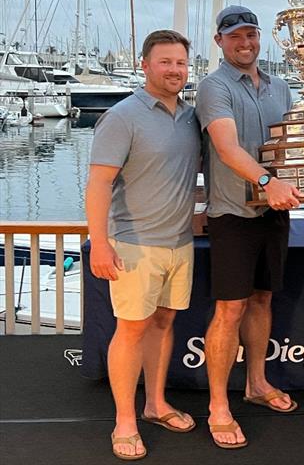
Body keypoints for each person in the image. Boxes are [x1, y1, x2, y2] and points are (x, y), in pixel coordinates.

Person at [86, 30, 201, 460]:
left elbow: (184, 175)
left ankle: (155, 404)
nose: (175, 70)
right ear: (145, 65)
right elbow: (98, 184)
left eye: (181, 63)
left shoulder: (190, 117)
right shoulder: (122, 116)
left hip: (180, 242)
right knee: (131, 330)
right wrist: (100, 243)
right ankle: (125, 421)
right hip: (134, 244)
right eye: (166, 62)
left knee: (164, 324)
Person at [196, 6, 301, 450]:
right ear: (219, 41)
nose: (245, 43)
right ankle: (218, 405)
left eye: (251, 35)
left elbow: (297, 145)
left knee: (262, 300)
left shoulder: (281, 88)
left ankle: (256, 383)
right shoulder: (212, 86)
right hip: (232, 216)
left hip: (274, 214)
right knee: (229, 311)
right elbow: (226, 148)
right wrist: (267, 180)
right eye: (235, 36)